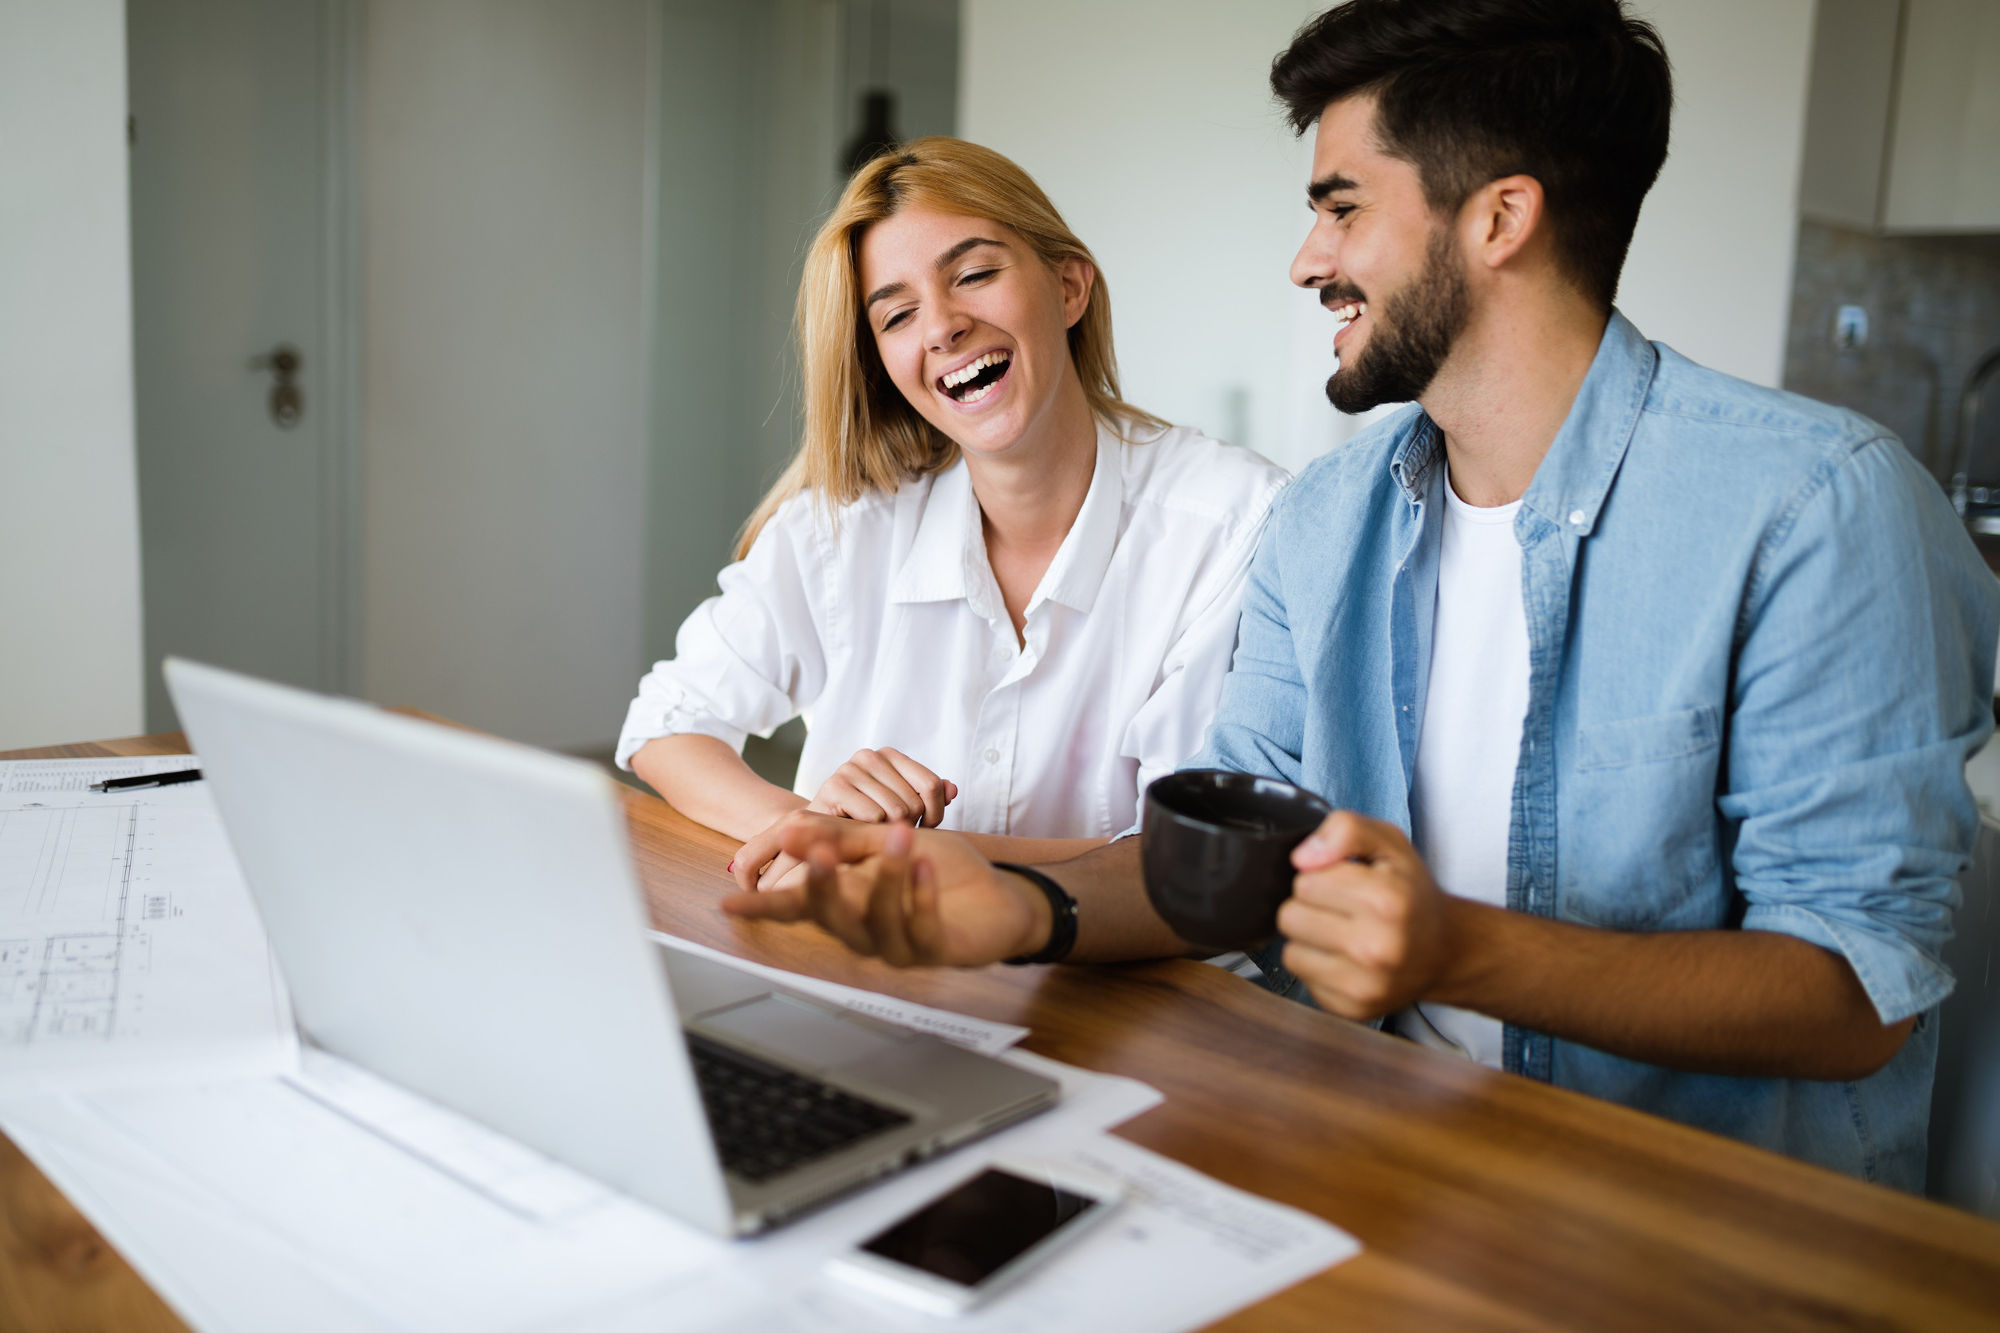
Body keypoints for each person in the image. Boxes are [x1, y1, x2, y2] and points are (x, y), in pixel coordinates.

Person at [725, 0, 2000, 1191]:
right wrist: (1019, 906)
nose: (1305, 259)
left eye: (1340, 208)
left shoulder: (1815, 508)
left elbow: (1853, 993)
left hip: (1658, 1216)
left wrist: (1453, 950)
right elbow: (1219, 861)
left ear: (1498, 220)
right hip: (1356, 1150)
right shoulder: (1324, 520)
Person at [619, 138, 1288, 883]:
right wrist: (804, 828)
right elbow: (665, 722)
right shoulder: (843, 525)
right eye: (897, 315)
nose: (941, 328)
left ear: (1069, 286)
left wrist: (894, 852)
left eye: (973, 275)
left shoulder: (1234, 522)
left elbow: (1187, 856)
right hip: (866, 973)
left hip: (1113, 987)